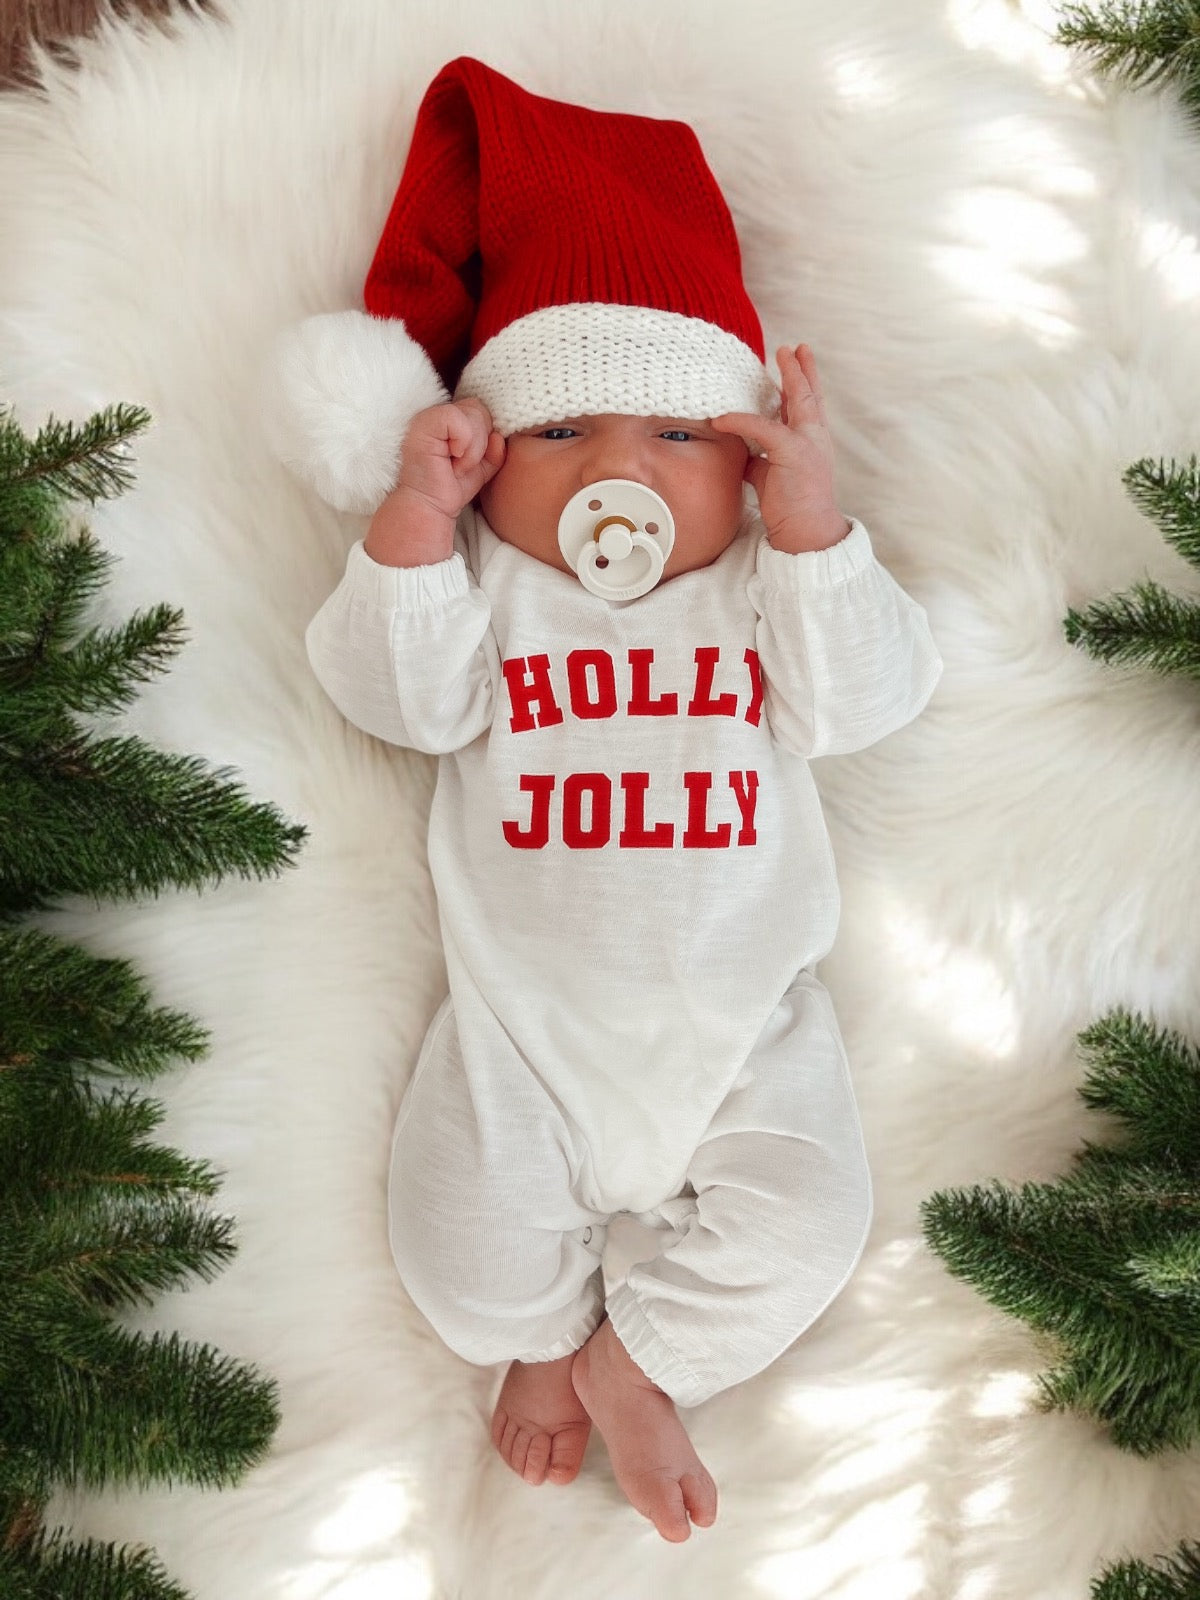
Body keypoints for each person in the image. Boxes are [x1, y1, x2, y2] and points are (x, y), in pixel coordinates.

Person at [272, 57, 943, 1544]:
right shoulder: (491, 591)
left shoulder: (767, 592)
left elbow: (871, 696)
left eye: (679, 439)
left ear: (746, 458)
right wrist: (414, 521)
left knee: (808, 1225)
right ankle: (534, 1335)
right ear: (491, 454)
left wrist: (818, 524)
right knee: (455, 1260)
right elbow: (389, 695)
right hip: (523, 1039)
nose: (619, 476)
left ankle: (635, 1359)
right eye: (562, 437)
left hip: (744, 1032)